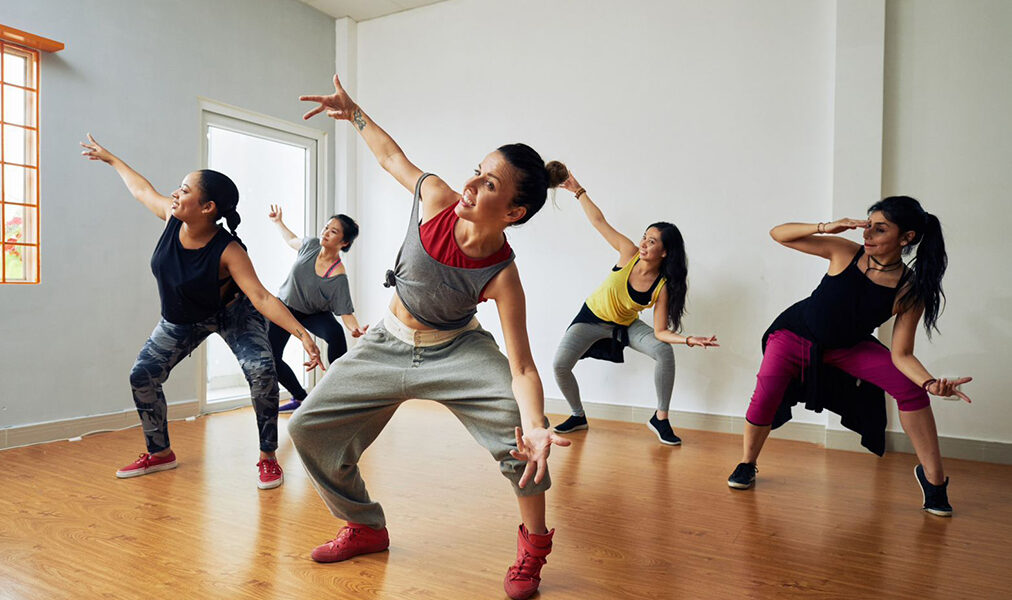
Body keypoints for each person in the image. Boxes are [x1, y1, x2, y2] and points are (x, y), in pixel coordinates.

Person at [288, 75, 570, 600]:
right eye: (477, 172)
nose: (471, 185)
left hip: (457, 349)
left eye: (489, 184)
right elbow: (392, 158)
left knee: (523, 445)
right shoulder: (437, 198)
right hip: (388, 340)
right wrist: (354, 114)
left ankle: (534, 544)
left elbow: (523, 367)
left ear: (513, 213)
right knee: (307, 427)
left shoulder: (502, 273)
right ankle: (365, 526)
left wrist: (535, 423)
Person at [79, 134, 323, 490]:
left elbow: (260, 296)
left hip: (233, 313)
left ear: (208, 207)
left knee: (262, 371)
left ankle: (268, 457)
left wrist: (302, 334)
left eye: (184, 189)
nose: (175, 194)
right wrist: (112, 159)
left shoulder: (228, 250)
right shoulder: (172, 219)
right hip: (183, 318)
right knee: (143, 375)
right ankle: (160, 453)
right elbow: (142, 190)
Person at [726, 196, 972, 518]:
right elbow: (778, 234)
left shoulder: (910, 290)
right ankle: (747, 463)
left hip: (848, 347)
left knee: (910, 389)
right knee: (767, 394)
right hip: (793, 335)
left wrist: (928, 383)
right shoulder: (844, 252)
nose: (867, 235)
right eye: (868, 226)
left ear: (906, 238)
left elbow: (902, 353)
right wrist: (827, 227)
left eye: (879, 229)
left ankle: (934, 481)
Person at [550, 171, 718, 445]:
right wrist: (579, 191)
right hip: (590, 318)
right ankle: (578, 415)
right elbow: (599, 222)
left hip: (624, 326)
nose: (643, 243)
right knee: (559, 365)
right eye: (644, 237)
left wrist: (688, 339)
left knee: (663, 351)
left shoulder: (662, 285)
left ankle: (660, 418)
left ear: (664, 252)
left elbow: (661, 332)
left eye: (652, 241)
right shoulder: (628, 253)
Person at [266, 206, 367, 412]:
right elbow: (291, 239)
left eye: (333, 231)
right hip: (284, 308)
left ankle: (339, 393)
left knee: (336, 333)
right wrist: (278, 223)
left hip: (314, 314)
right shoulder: (311, 245)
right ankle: (301, 398)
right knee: (271, 357)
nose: (325, 232)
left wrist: (355, 329)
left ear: (344, 242)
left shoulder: (337, 275)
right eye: (326, 227)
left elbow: (345, 312)